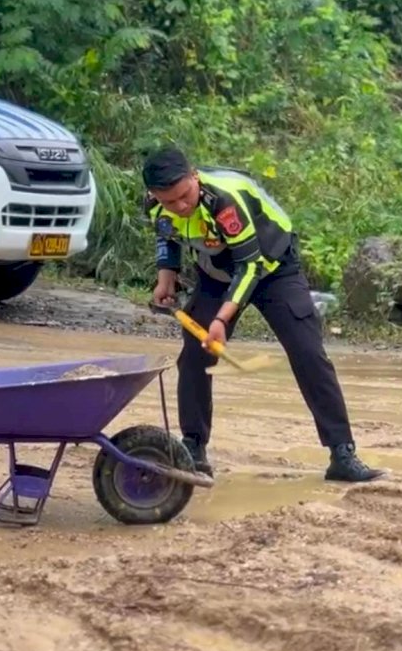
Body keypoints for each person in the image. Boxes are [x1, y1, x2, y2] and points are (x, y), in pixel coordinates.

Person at [142, 146, 384, 483]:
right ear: (154, 195)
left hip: (272, 266)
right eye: (170, 201)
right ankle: (193, 449)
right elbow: (166, 236)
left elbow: (250, 265)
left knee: (307, 352)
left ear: (194, 176)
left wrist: (222, 319)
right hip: (215, 272)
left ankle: (342, 453)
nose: (180, 206)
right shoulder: (157, 205)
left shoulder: (224, 201)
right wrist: (165, 277)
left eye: (185, 195)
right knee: (195, 355)